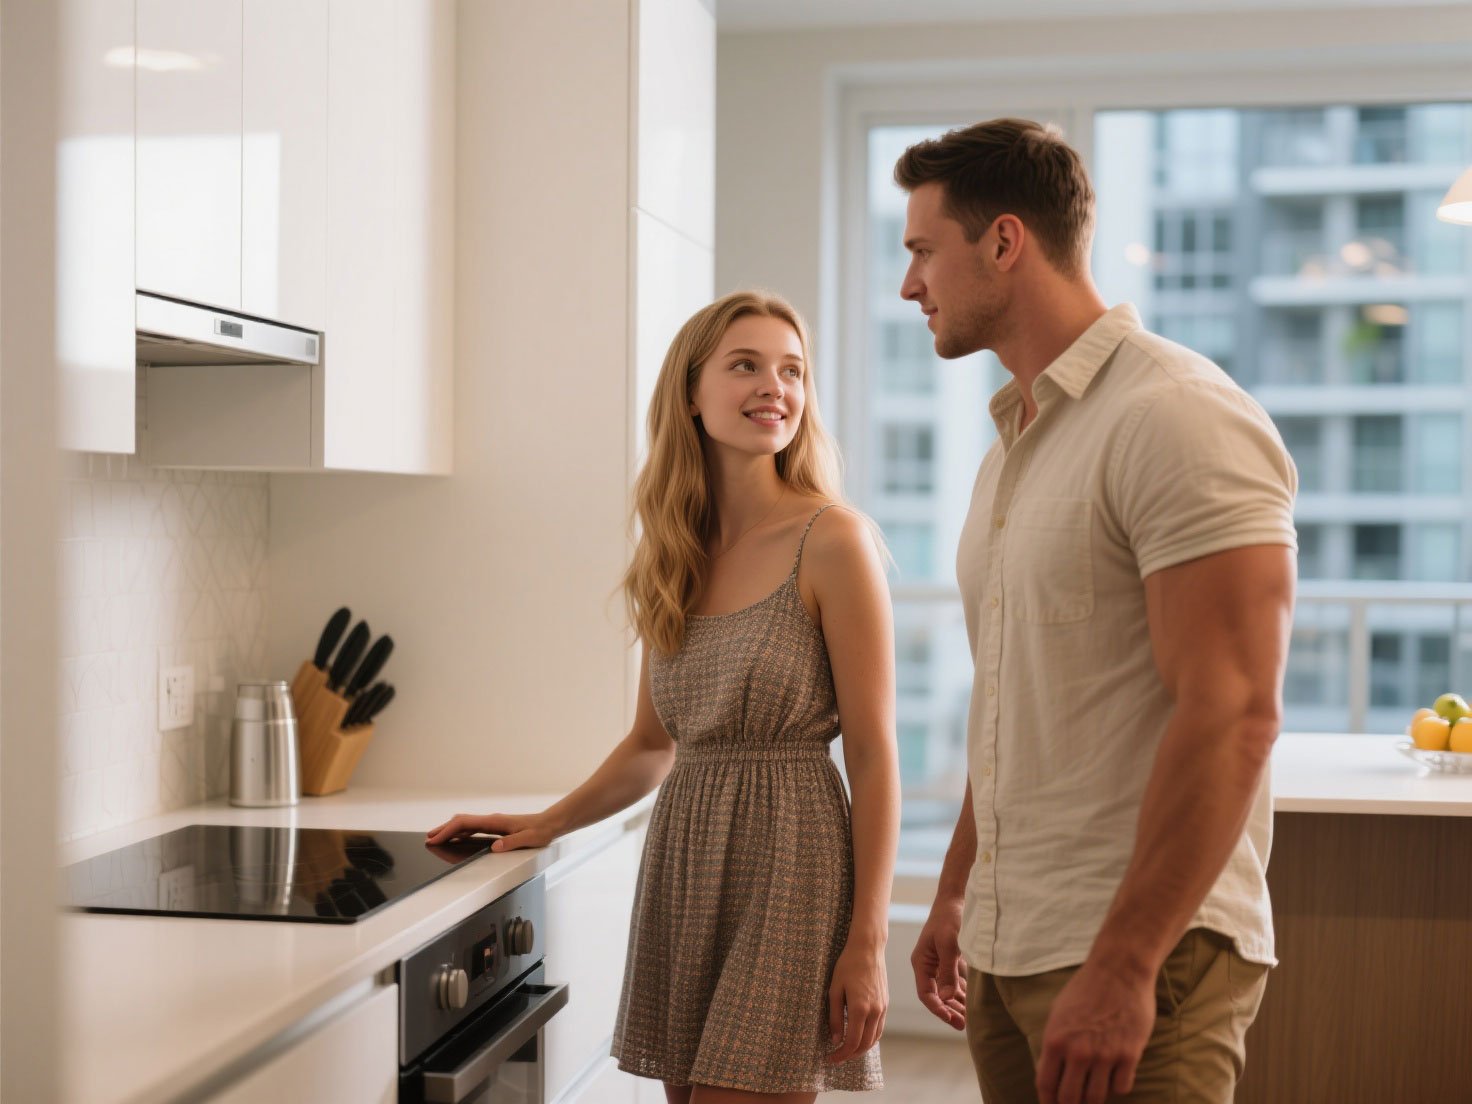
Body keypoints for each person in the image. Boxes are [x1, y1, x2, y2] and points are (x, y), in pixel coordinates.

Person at [895, 119, 1298, 1104]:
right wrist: (956, 889)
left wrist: (1122, 965)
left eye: (919, 251)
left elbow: (1233, 710)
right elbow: (1011, 704)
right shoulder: (1010, 446)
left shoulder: (1175, 414)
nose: (909, 286)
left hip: (1139, 955)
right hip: (1008, 941)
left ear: (1001, 242)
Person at [428, 290, 899, 1103]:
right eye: (745, 365)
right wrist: (547, 822)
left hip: (794, 863)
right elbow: (653, 743)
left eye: (792, 371)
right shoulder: (676, 551)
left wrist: (868, 936)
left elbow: (873, 749)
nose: (775, 387)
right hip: (687, 860)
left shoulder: (834, 539)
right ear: (691, 391)